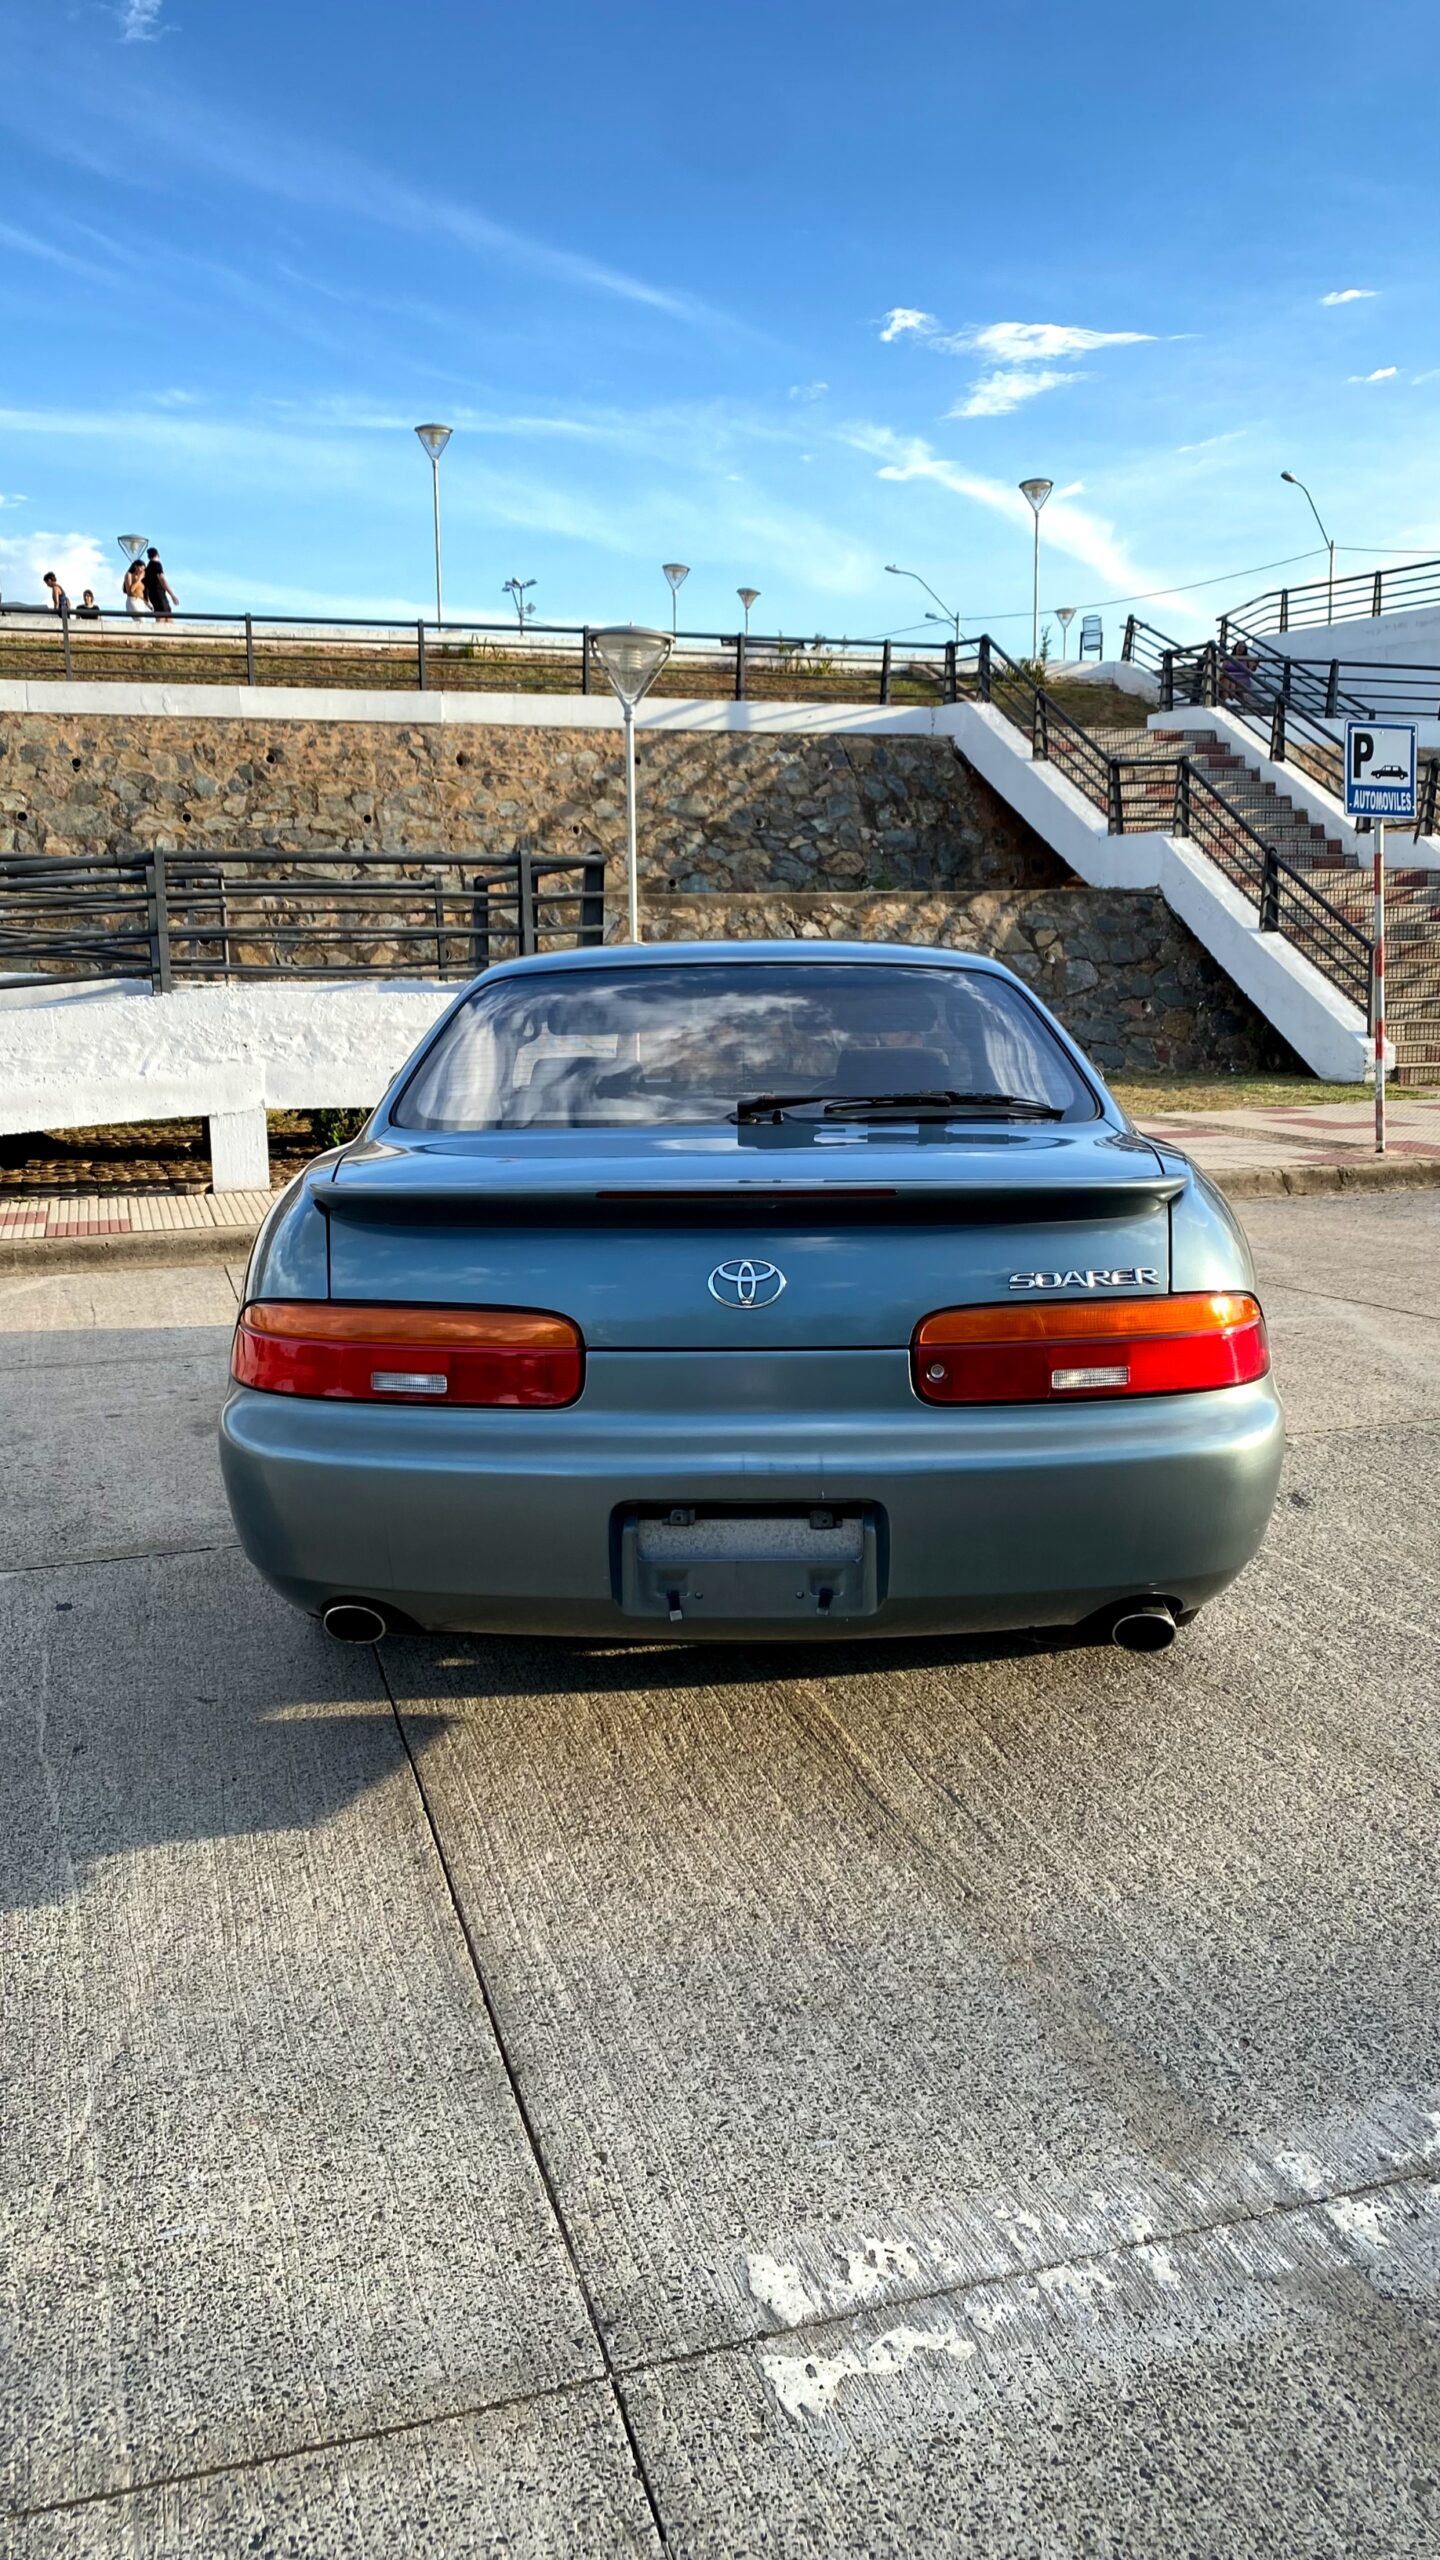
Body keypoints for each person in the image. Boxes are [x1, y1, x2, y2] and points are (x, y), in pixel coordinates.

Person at [143, 547, 178, 619]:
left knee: (162, 615)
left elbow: (145, 585)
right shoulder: (156, 564)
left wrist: (147, 600)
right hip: (159, 594)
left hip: (152, 595)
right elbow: (162, 578)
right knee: (165, 616)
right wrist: (172, 595)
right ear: (158, 554)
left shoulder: (148, 568)